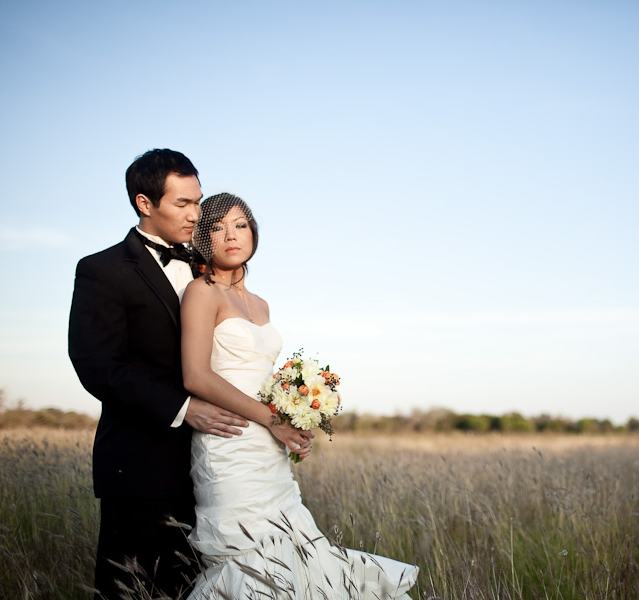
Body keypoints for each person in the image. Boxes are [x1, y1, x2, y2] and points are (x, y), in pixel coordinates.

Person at [68, 149, 314, 600]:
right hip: (143, 458)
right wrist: (182, 407)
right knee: (136, 587)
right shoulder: (102, 271)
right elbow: (99, 366)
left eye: (198, 201)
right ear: (146, 203)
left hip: (221, 458)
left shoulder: (208, 267)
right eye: (183, 203)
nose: (196, 214)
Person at [180, 193, 419, 599]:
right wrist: (273, 419)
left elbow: (260, 376)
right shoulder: (201, 292)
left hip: (268, 446)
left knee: (295, 548)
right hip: (230, 441)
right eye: (216, 227)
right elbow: (197, 376)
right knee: (248, 556)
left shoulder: (261, 304)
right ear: (203, 239)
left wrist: (293, 417)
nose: (230, 235)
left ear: (254, 232)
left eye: (240, 224)